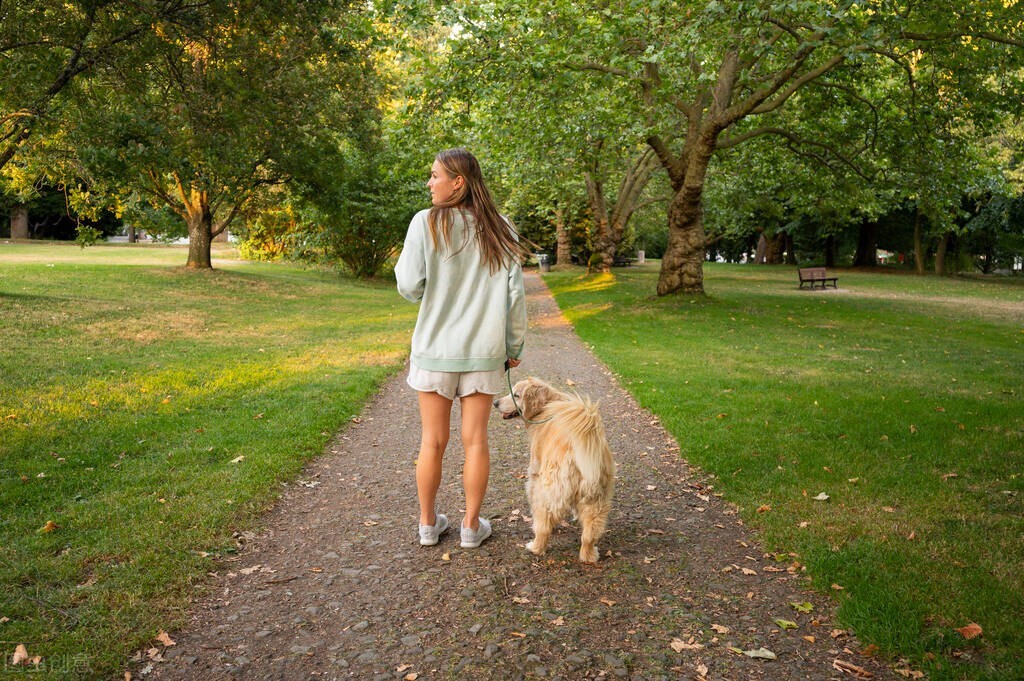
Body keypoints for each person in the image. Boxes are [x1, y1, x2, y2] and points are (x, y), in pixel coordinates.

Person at [395, 148, 529, 549]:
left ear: (459, 182)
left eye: (435, 175)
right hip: (484, 352)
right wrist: (513, 345)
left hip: (435, 349)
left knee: (432, 441)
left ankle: (426, 525)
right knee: (476, 441)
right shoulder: (501, 227)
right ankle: (471, 527)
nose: (429, 182)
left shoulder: (425, 223)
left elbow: (408, 285)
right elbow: (515, 296)